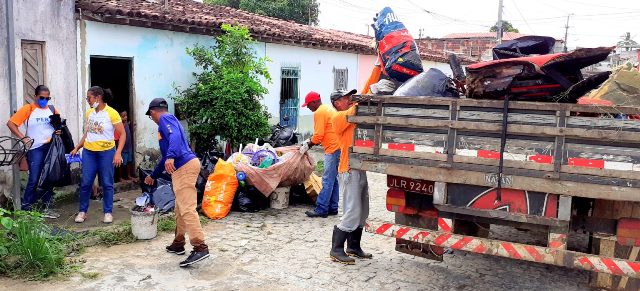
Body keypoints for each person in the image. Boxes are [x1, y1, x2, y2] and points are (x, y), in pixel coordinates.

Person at [144, 98, 209, 267]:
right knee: (180, 208)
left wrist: (172, 155)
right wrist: (154, 175)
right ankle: (178, 244)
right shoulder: (170, 123)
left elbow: (174, 138)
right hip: (185, 166)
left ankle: (200, 247)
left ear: (153, 112)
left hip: (184, 167)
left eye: (151, 117)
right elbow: (165, 157)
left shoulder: (165, 119)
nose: (153, 120)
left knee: (187, 208)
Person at [328, 89, 372, 265]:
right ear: (337, 103)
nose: (350, 99)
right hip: (348, 170)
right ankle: (336, 249)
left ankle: (353, 246)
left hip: (359, 168)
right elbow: (355, 109)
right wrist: (359, 101)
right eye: (345, 97)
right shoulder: (338, 118)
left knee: (363, 211)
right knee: (352, 210)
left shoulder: (349, 114)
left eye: (350, 97)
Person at [71, 87, 126, 224]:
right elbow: (87, 133)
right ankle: (82, 211)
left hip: (107, 153)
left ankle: (108, 212)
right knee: (86, 183)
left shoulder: (112, 113)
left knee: (107, 183)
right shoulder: (89, 113)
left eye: (89, 98)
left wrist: (118, 153)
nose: (87, 100)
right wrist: (78, 147)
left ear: (98, 97)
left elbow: (122, 134)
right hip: (89, 152)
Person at [6, 85, 62, 218]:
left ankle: (47, 207)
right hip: (35, 148)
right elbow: (11, 123)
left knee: (48, 177)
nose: (44, 100)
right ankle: (26, 209)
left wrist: (58, 129)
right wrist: (23, 137)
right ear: (35, 96)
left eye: (47, 98)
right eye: (42, 98)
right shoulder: (28, 109)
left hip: (50, 147)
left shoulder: (52, 109)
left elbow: (58, 124)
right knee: (34, 178)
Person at [300, 91, 341, 218]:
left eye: (308, 105)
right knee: (333, 179)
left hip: (333, 148)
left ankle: (322, 209)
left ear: (314, 102)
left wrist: (308, 144)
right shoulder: (328, 108)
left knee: (327, 179)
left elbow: (318, 136)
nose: (308, 107)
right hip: (338, 146)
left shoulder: (319, 112)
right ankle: (333, 207)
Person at [117, 110, 134, 182]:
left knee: (129, 161)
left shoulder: (127, 124)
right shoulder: (119, 125)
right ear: (119, 117)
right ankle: (120, 177)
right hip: (122, 147)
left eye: (126, 115)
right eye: (123, 116)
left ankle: (129, 175)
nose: (125, 117)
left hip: (129, 146)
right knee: (121, 163)